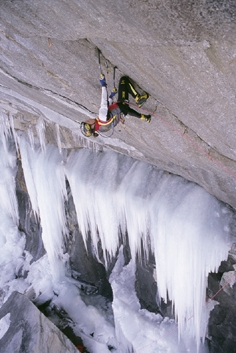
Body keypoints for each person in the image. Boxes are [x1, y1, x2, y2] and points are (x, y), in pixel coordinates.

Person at [80, 75, 151, 137]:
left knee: (126, 106)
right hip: (121, 105)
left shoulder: (101, 128)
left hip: (121, 110)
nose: (88, 119)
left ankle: (146, 118)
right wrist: (103, 85)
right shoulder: (101, 117)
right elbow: (104, 102)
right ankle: (138, 98)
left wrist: (111, 97)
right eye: (88, 121)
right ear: (92, 126)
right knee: (124, 80)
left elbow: (108, 114)